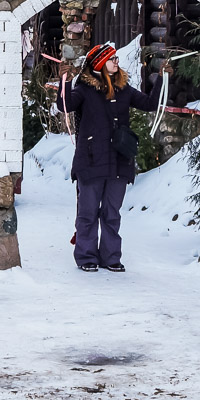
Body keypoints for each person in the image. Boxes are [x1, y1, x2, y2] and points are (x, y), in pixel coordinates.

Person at [57, 42, 168, 273]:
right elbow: (64, 105)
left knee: (112, 213)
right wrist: (65, 81)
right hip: (91, 161)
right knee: (87, 213)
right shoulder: (84, 90)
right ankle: (86, 256)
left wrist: (161, 78)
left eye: (116, 58)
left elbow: (149, 104)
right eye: (112, 58)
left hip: (119, 160)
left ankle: (111, 257)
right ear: (99, 63)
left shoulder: (123, 88)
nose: (116, 61)